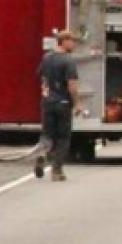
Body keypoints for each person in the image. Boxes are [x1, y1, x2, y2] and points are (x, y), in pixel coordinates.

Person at [36, 30, 80, 181]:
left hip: (47, 102)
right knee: (63, 138)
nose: (74, 44)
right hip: (63, 103)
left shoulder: (46, 58)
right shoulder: (68, 61)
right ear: (64, 41)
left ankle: (42, 153)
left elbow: (40, 76)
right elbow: (72, 85)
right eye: (73, 41)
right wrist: (77, 103)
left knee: (47, 134)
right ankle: (57, 171)